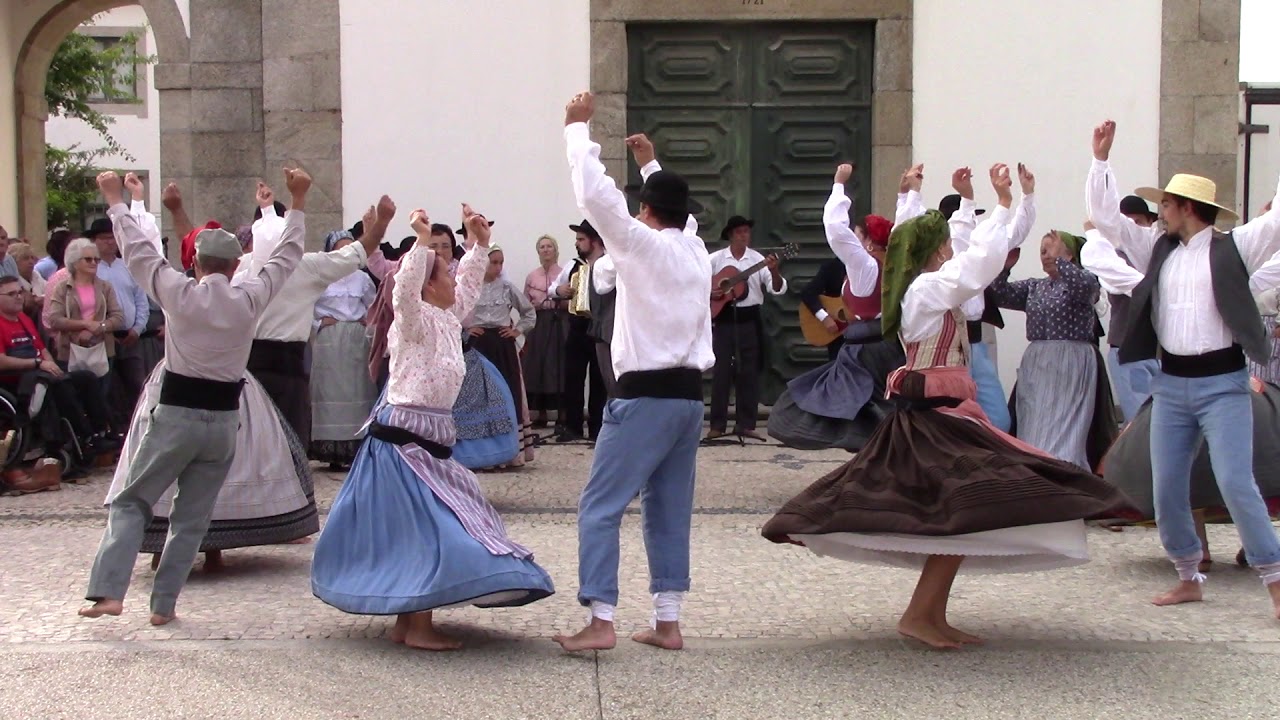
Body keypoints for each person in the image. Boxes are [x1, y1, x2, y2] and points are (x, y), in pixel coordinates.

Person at [762, 164, 1129, 649]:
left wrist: (1000, 205)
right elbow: (974, 266)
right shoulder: (925, 290)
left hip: (949, 415)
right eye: (944, 245)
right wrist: (999, 206)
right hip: (932, 422)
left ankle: (927, 613)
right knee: (955, 514)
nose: (951, 250)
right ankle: (920, 614)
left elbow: (969, 260)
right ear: (933, 252)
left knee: (959, 516)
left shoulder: (928, 285)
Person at [311, 206, 554, 651]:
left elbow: (466, 286)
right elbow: (404, 288)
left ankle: (410, 622)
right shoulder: (415, 320)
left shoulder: (446, 316)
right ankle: (418, 626)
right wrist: (422, 242)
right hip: (404, 445)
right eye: (445, 273)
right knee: (426, 530)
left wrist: (479, 243)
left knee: (427, 528)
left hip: (431, 442)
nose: (454, 279)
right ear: (428, 285)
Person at [78, 167, 310, 626]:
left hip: (178, 416)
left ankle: (109, 592)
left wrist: (116, 202)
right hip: (224, 422)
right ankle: (163, 605)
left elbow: (140, 254)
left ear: (198, 264)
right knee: (192, 517)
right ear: (233, 265)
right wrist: (297, 203)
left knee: (132, 501)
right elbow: (286, 257)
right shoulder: (250, 297)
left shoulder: (181, 293)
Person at [1087, 119, 1280, 616]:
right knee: (1166, 483)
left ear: (1187, 208)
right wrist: (1100, 161)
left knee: (1236, 480)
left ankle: (1276, 581)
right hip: (1172, 385)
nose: (1159, 213)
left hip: (1224, 385)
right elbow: (1107, 222)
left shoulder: (1234, 246)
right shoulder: (1159, 248)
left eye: (1166, 206)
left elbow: (1278, 220)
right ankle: (1188, 574)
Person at [552, 97, 713, 653]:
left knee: (600, 506)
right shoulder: (697, 250)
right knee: (668, 510)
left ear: (645, 212)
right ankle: (667, 622)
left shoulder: (640, 244)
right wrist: (651, 166)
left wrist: (578, 129)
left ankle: (601, 621)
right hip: (690, 401)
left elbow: (595, 196)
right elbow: (679, 213)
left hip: (643, 398)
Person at [767, 164, 903, 453]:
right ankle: (880, 463)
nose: (853, 239)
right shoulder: (894, 266)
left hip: (866, 353)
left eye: (858, 235)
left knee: (861, 411)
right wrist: (906, 194)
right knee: (870, 410)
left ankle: (878, 465)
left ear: (867, 241)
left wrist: (838, 186)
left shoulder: (866, 266)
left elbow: (834, 230)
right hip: (882, 348)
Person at [241, 190, 390, 448]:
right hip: (270, 358)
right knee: (276, 435)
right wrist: (381, 224)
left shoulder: (250, 267)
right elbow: (356, 252)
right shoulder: (296, 267)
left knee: (266, 435)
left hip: (274, 358)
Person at [989, 229, 1116, 469]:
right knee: (1034, 419)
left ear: (1069, 255)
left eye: (1052, 248)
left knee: (1065, 423)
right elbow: (998, 294)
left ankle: (1064, 471)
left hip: (1071, 362)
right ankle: (1035, 470)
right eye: (1042, 250)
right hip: (1038, 364)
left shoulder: (1085, 281)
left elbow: (1085, 287)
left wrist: (1061, 263)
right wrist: (1004, 267)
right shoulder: (1034, 287)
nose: (1045, 253)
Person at [0, 275, 113, 488]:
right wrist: (38, 364)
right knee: (57, 386)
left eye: (20, 292)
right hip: (16, 380)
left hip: (40, 372)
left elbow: (42, 349)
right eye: (11, 294)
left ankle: (99, 432)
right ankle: (77, 437)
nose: (18, 297)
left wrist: (50, 365)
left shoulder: (23, 319)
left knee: (86, 378)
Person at [705, 215, 786, 442]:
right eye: (739, 232)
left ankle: (746, 423)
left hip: (749, 319)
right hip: (723, 318)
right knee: (721, 371)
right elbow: (697, 279)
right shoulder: (715, 259)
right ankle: (717, 425)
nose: (744, 236)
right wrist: (711, 293)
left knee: (748, 371)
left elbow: (776, 288)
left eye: (747, 232)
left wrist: (775, 271)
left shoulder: (757, 260)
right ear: (730, 235)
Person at [309, 229, 380, 470]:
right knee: (330, 392)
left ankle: (357, 446)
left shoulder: (362, 278)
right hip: (329, 340)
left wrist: (367, 323)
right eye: (340, 249)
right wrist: (318, 323)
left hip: (355, 340)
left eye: (350, 249)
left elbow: (375, 306)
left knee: (357, 390)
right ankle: (333, 451)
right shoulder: (320, 278)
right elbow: (305, 306)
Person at [463, 244, 537, 465]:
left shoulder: (506, 288)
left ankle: (511, 452)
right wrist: (465, 330)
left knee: (507, 393)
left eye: (500, 262)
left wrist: (517, 330)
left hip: (502, 345)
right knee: (478, 396)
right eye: (493, 262)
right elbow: (452, 312)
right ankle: (480, 452)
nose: (497, 267)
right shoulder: (468, 288)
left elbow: (529, 312)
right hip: (477, 346)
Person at [45, 237, 125, 429]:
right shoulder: (62, 288)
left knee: (101, 397)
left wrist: (99, 327)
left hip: (102, 350)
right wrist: (83, 325)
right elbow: (54, 319)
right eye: (87, 259)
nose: (93, 263)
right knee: (75, 398)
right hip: (70, 350)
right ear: (74, 262)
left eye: (95, 260)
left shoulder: (105, 287)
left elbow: (118, 317)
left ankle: (100, 438)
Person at [95, 175, 153, 435]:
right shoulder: (92, 269)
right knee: (108, 389)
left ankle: (140, 429)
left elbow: (140, 297)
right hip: (104, 336)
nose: (109, 242)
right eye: (104, 238)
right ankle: (113, 431)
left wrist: (138, 328)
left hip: (131, 335)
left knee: (137, 386)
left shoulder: (125, 266)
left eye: (111, 237)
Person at [551, 222, 607, 441]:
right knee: (572, 378)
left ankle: (598, 429)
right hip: (577, 328)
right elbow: (552, 288)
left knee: (599, 381)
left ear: (594, 241)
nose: (577, 243)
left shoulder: (610, 264)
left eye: (581, 239)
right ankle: (573, 427)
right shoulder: (573, 265)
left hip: (601, 328)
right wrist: (559, 290)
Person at [522, 235, 568, 426]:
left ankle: (563, 412)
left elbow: (570, 298)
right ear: (538, 251)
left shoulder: (565, 273)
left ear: (556, 250)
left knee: (559, 364)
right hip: (538, 324)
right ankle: (539, 412)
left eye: (550, 246)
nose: (546, 249)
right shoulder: (532, 276)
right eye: (542, 247)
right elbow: (525, 303)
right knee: (537, 364)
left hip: (559, 321)